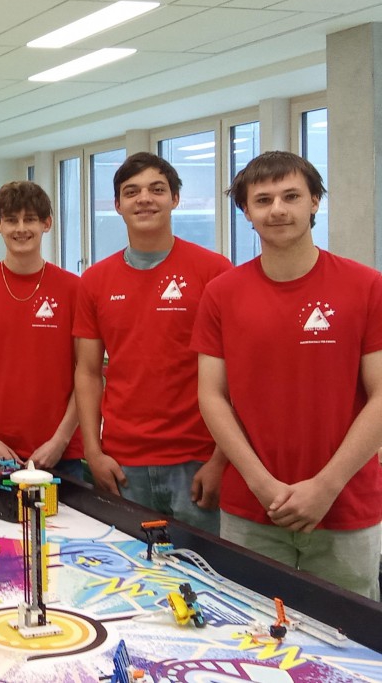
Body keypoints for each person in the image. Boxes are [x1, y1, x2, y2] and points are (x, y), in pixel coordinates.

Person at [193, 150, 382, 599]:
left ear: (314, 201)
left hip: (345, 507)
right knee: (250, 630)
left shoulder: (367, 286)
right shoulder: (221, 294)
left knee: (347, 636)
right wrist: (261, 485)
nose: (277, 209)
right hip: (252, 508)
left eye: (291, 196)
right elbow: (212, 396)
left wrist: (326, 485)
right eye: (263, 200)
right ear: (246, 212)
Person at [74, 153, 231, 534]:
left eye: (156, 189)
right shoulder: (94, 281)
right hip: (123, 464)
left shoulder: (214, 272)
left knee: (203, 567)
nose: (144, 198)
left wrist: (220, 460)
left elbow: (236, 374)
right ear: (117, 205)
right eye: (132, 192)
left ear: (175, 198)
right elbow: (88, 372)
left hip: (196, 462)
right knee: (130, 566)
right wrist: (93, 452)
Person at [0, 181, 83, 476]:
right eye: (11, 220)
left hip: (61, 452)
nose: (21, 228)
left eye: (30, 219)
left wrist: (60, 439)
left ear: (47, 223)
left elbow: (87, 371)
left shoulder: (75, 290)